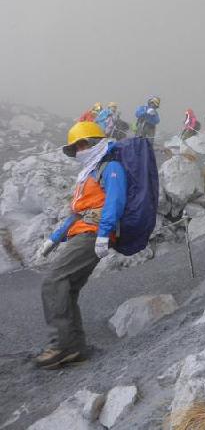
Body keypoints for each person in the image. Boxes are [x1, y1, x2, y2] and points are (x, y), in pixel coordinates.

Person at [33, 121, 126, 369]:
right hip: (84, 232)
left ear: (94, 143)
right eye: (75, 148)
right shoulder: (89, 172)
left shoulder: (110, 167)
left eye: (81, 145)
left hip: (93, 233)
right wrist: (54, 239)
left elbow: (114, 202)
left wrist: (105, 233)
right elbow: (77, 213)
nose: (78, 151)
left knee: (53, 281)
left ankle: (61, 346)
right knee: (67, 287)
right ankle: (74, 348)